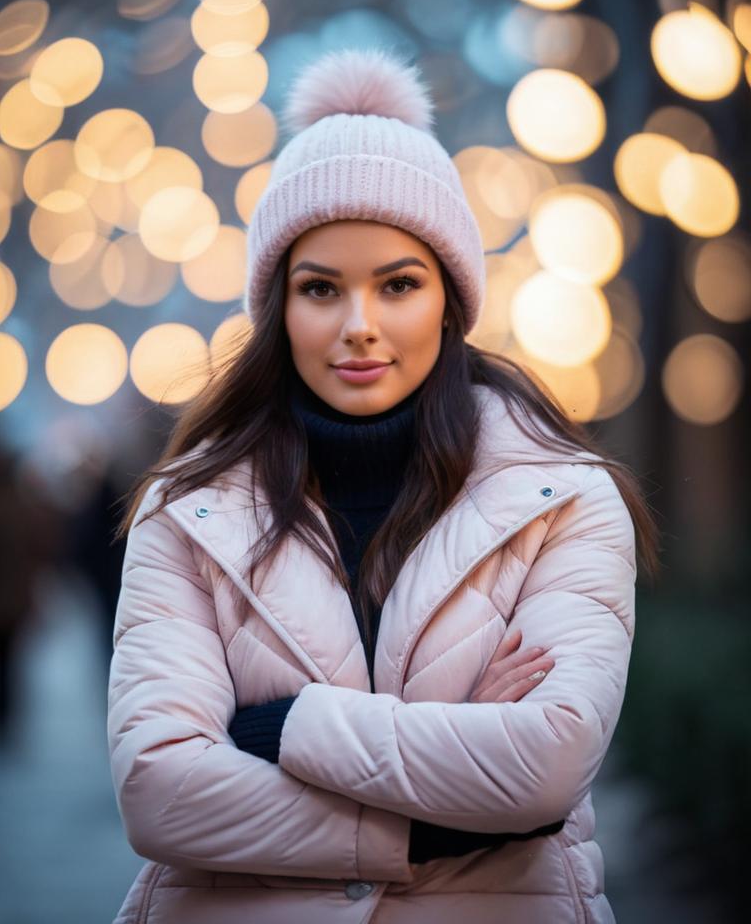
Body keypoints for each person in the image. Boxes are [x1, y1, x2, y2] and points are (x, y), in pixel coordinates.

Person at [107, 48, 660, 924]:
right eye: (321, 288)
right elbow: (159, 792)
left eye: (398, 284)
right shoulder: (188, 511)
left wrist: (279, 728)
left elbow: (546, 767)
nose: (359, 326)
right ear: (279, 309)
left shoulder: (560, 500)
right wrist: (451, 791)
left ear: (450, 299)